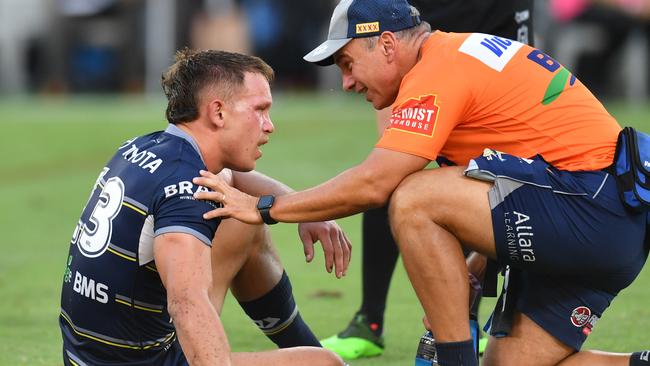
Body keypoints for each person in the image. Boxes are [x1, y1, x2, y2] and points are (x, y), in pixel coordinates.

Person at [193, 0, 650, 365]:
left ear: (387, 45)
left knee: (413, 197)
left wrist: (265, 208)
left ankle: (450, 359)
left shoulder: (437, 70)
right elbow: (511, 178)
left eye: (349, 63)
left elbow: (376, 183)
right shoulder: (453, 53)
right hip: (603, 216)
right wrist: (471, 263)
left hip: (593, 208)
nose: (348, 83)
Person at [59, 48, 350, 366]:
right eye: (260, 110)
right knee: (326, 364)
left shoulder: (146, 146)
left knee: (241, 223)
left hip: (84, 355)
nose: (269, 126)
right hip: (146, 361)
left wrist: (297, 209)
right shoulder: (184, 191)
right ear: (218, 113)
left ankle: (302, 345)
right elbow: (186, 303)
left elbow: (230, 178)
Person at [319, 0, 535, 360]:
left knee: (482, 170)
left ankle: (464, 316)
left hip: (491, 23)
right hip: (412, 26)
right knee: (392, 171)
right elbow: (381, 175)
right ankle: (371, 320)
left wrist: (269, 207)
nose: (345, 84)